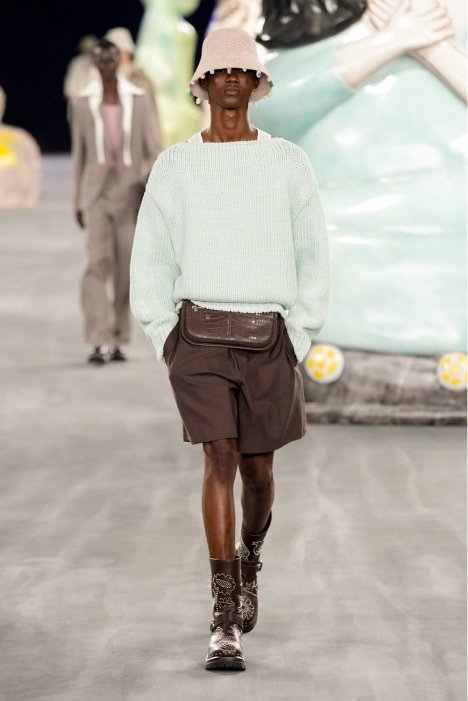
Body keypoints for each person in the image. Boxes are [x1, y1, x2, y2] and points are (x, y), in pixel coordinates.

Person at [130, 28, 331, 670]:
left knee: (258, 473)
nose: (233, 80)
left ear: (257, 83)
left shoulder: (288, 162)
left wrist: (299, 335)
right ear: (204, 84)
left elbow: (313, 253)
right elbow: (150, 256)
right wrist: (165, 335)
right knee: (218, 457)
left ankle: (251, 555)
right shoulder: (176, 166)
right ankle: (223, 618)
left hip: (270, 336)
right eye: (221, 71)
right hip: (198, 335)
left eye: (244, 71)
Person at [72, 39, 162, 364]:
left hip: (130, 193)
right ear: (95, 62)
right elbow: (80, 156)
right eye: (101, 59)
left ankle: (120, 337)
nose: (106, 63)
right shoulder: (83, 103)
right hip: (97, 194)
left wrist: (150, 185)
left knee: (126, 268)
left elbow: (153, 147)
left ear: (118, 60)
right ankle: (98, 339)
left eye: (111, 58)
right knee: (96, 264)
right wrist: (78, 201)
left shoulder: (139, 99)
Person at [63, 35, 99, 101]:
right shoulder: (77, 63)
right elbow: (69, 88)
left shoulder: (98, 62)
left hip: (94, 99)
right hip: (78, 99)